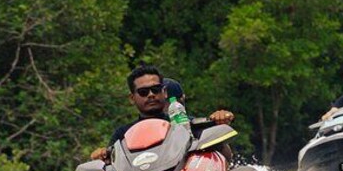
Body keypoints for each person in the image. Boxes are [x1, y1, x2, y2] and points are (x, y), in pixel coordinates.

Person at [89, 64, 234, 161]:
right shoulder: (122, 135)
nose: (151, 95)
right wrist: (101, 155)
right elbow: (109, 163)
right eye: (143, 92)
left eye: (156, 89)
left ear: (164, 92)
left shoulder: (184, 123)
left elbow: (226, 156)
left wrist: (218, 121)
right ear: (132, 98)